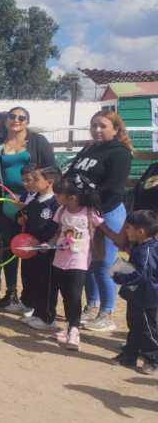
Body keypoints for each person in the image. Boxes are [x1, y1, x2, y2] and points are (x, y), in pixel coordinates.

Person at [0, 106, 56, 310]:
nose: (16, 120)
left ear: (27, 122)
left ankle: (32, 299)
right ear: (5, 121)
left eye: (22, 117)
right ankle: (11, 293)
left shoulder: (38, 142)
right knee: (9, 248)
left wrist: (45, 196)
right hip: (7, 202)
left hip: (34, 202)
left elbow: (52, 170)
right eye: (12, 116)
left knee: (32, 250)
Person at [65, 110, 133, 333]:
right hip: (85, 212)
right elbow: (72, 174)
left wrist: (87, 206)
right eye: (94, 125)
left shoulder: (120, 152)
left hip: (107, 213)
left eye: (103, 126)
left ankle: (107, 312)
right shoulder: (89, 148)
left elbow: (114, 188)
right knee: (88, 261)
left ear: (115, 129)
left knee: (104, 264)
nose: (97, 130)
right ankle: (92, 306)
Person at [49, 177, 104, 351]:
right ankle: (68, 326)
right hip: (59, 259)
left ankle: (74, 329)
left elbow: (101, 233)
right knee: (65, 295)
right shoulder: (61, 210)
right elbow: (57, 233)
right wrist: (48, 244)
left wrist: (99, 254)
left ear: (71, 196)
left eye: (58, 194)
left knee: (74, 294)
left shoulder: (89, 213)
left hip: (78, 261)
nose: (55, 196)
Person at [100, 210, 158, 375]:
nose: (126, 231)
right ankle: (129, 355)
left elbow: (141, 274)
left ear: (140, 231)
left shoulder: (148, 250)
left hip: (148, 297)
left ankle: (152, 359)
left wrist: (119, 274)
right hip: (137, 296)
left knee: (148, 329)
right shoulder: (140, 246)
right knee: (134, 326)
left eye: (128, 228)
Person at [18, 164, 60, 330]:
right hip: (31, 249)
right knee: (34, 281)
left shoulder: (55, 203)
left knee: (47, 284)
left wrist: (47, 242)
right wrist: (21, 219)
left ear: (49, 182)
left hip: (46, 251)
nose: (32, 182)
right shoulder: (34, 200)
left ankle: (48, 317)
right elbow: (23, 215)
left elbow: (56, 227)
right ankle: (37, 313)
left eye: (36, 179)